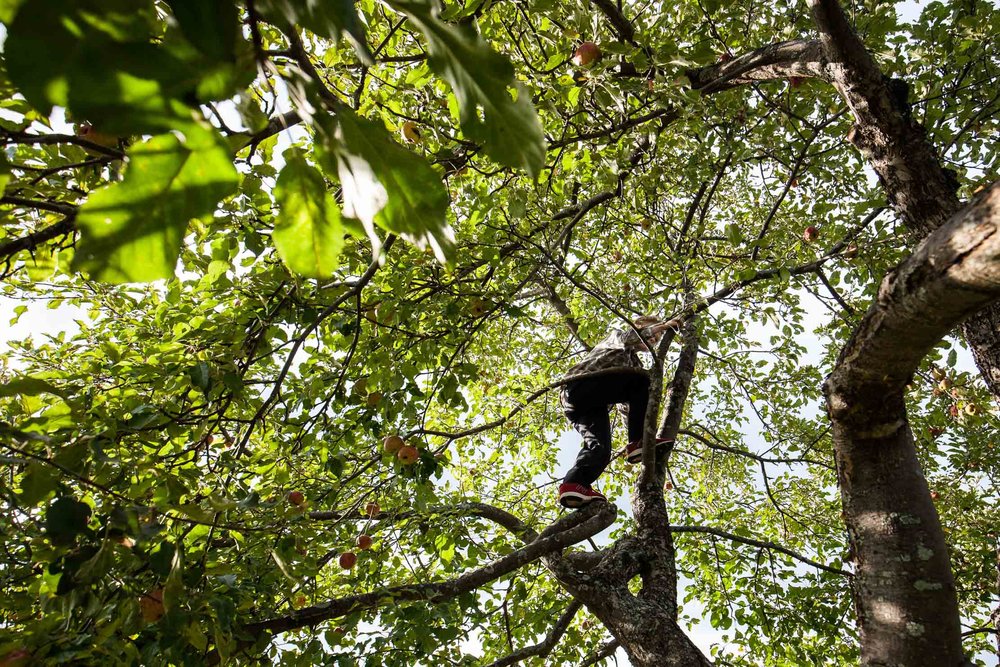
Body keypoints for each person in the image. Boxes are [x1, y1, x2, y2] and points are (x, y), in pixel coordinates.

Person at [557, 315, 681, 508]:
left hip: (587, 407)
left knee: (600, 448)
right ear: (638, 326)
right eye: (653, 332)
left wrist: (637, 442)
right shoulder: (618, 337)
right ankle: (636, 441)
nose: (654, 339)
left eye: (657, 339)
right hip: (578, 388)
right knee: (642, 380)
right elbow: (630, 337)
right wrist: (664, 326)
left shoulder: (634, 366)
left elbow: (629, 407)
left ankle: (574, 483)